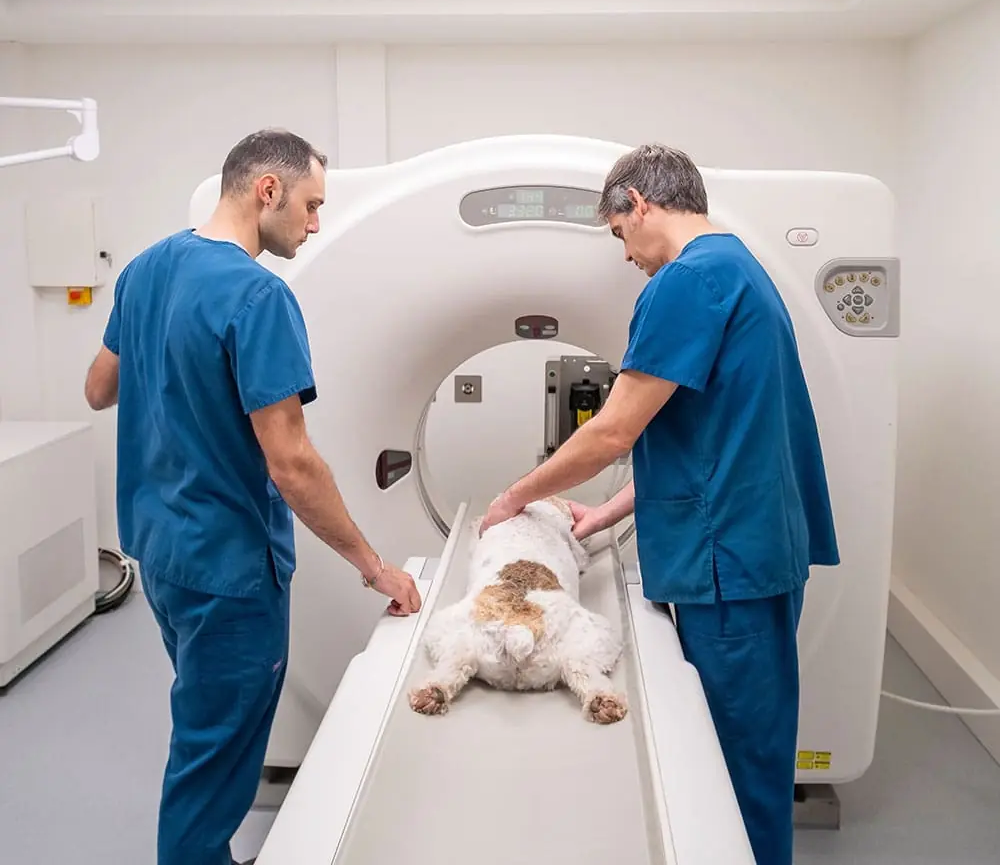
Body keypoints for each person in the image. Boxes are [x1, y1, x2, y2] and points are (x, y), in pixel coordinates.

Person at [479, 142, 839, 865]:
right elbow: (708, 436)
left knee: (738, 763)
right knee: (747, 746)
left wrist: (515, 495)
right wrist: (603, 514)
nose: (624, 256)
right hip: (753, 546)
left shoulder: (687, 282)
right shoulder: (741, 270)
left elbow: (615, 429)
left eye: (618, 234)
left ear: (638, 204)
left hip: (728, 564)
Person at [84, 128, 421, 865]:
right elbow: (292, 464)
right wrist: (376, 568)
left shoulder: (145, 269)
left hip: (161, 553)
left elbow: (98, 388)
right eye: (310, 204)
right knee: (212, 757)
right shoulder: (257, 295)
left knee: (205, 723)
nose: (316, 222)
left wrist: (170, 371)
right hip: (230, 568)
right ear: (267, 190)